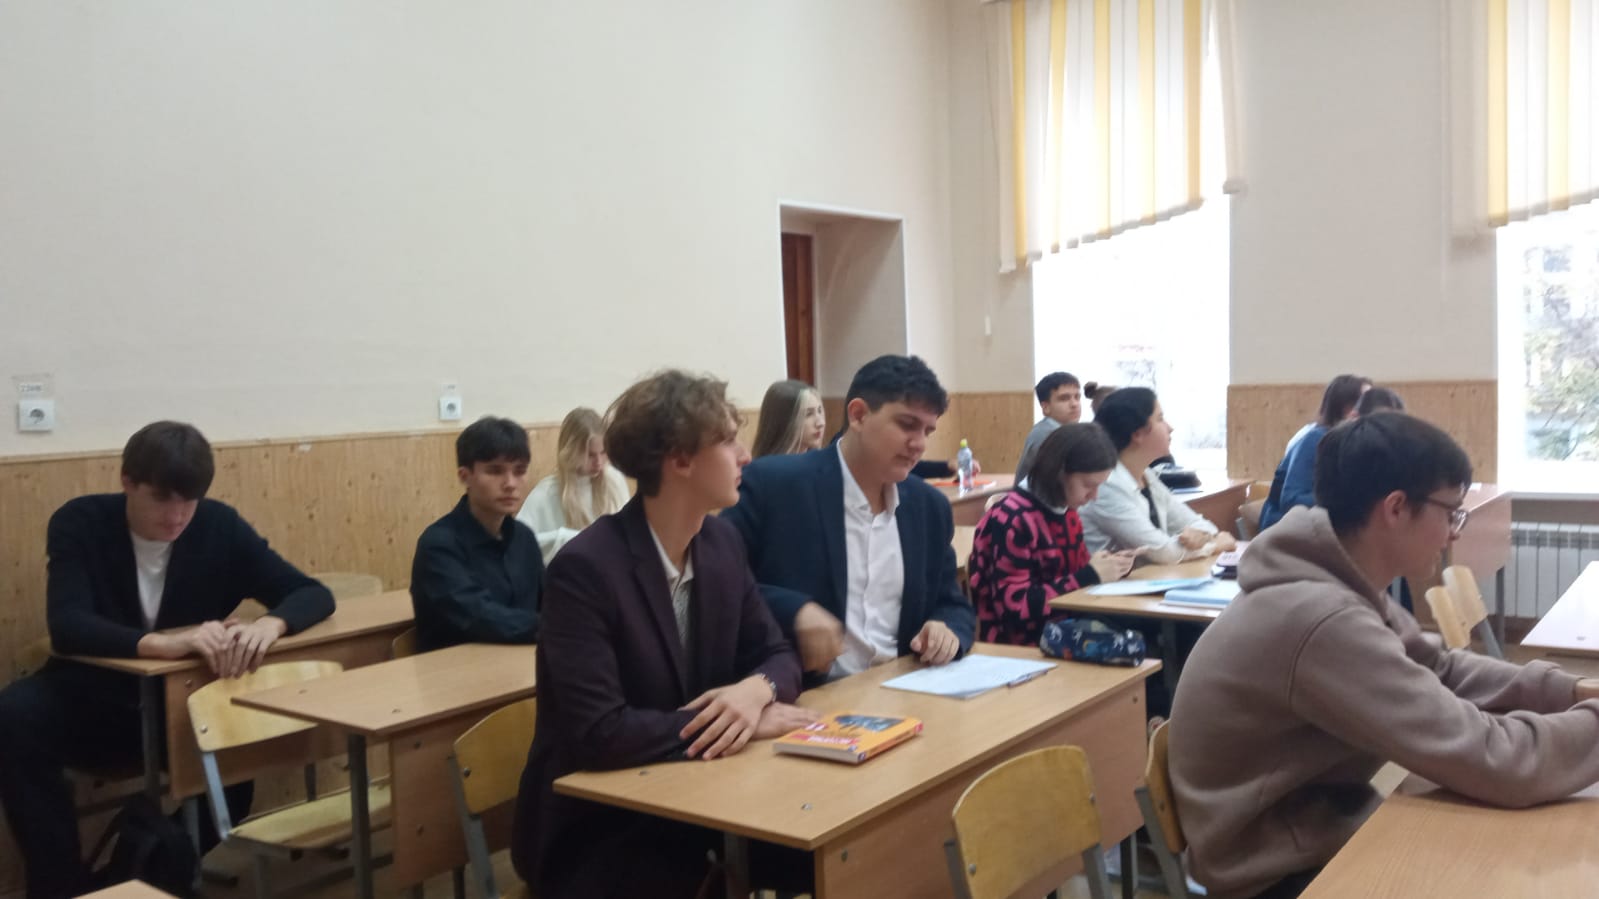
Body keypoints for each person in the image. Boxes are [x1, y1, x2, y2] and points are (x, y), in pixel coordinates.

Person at [1169, 412, 1599, 899]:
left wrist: (1573, 691)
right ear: (1396, 508)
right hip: (1276, 873)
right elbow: (1496, 759)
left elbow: (1439, 669)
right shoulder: (1322, 618)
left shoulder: (1338, 581)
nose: (1454, 533)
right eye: (1451, 513)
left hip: (1320, 828)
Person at [0, 421, 335, 899]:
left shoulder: (218, 526)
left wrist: (270, 624)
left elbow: (310, 592)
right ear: (128, 482)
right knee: (13, 714)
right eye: (162, 498)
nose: (177, 516)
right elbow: (68, 626)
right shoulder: (81, 521)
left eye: (189, 501)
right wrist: (161, 643)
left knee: (235, 771)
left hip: (176, 703)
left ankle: (136, 877)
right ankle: (60, 887)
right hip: (91, 695)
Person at [512, 371, 812, 899]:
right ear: (680, 460)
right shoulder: (584, 570)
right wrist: (735, 726)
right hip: (603, 827)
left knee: (836, 852)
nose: (745, 456)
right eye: (728, 441)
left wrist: (754, 692)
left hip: (702, 795)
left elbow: (777, 653)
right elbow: (600, 732)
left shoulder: (720, 544)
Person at [724, 354, 977, 681]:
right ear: (858, 415)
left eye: (928, 431)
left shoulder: (929, 508)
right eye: (907, 425)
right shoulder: (774, 486)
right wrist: (794, 610)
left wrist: (946, 627)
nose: (919, 444)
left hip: (906, 686)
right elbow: (719, 584)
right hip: (805, 695)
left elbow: (952, 603)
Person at [970, 424, 1134, 645]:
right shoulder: (1012, 518)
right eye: (1088, 485)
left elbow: (1075, 576)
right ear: (1060, 473)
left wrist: (1110, 567)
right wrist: (1089, 575)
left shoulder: (1067, 511)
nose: (1094, 496)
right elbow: (1015, 608)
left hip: (1066, 630)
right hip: (1023, 645)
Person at [410, 416, 544, 652]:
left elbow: (549, 602)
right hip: (454, 669)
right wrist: (558, 626)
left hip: (521, 660)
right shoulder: (438, 545)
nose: (510, 483)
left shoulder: (524, 537)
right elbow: (480, 617)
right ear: (465, 476)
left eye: (519, 471)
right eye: (495, 471)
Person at [1079, 387, 1236, 564]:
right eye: (1160, 419)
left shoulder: (1147, 475)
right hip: (1117, 581)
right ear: (1137, 434)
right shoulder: (1107, 486)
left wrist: (1204, 536)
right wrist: (1214, 545)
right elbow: (1163, 552)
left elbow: (1200, 524)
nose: (1170, 428)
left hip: (1151, 576)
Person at [1258, 375, 1375, 532]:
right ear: (1346, 409)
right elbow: (1291, 499)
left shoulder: (1355, 444)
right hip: (1284, 531)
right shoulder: (1314, 440)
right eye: (1366, 403)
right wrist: (1344, 501)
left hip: (1320, 528)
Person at [516, 407, 629, 559]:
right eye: (590, 455)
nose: (599, 462)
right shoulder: (547, 493)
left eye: (603, 453)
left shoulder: (614, 480)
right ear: (571, 451)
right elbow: (518, 543)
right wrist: (563, 538)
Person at [1014, 371, 1082, 483]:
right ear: (1046, 407)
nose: (1074, 404)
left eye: (1077, 397)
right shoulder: (1047, 435)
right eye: (1064, 398)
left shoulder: (1067, 432)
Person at [751, 379, 828, 458]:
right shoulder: (767, 465)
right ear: (784, 422)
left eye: (819, 411)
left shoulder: (819, 460)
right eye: (808, 414)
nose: (820, 423)